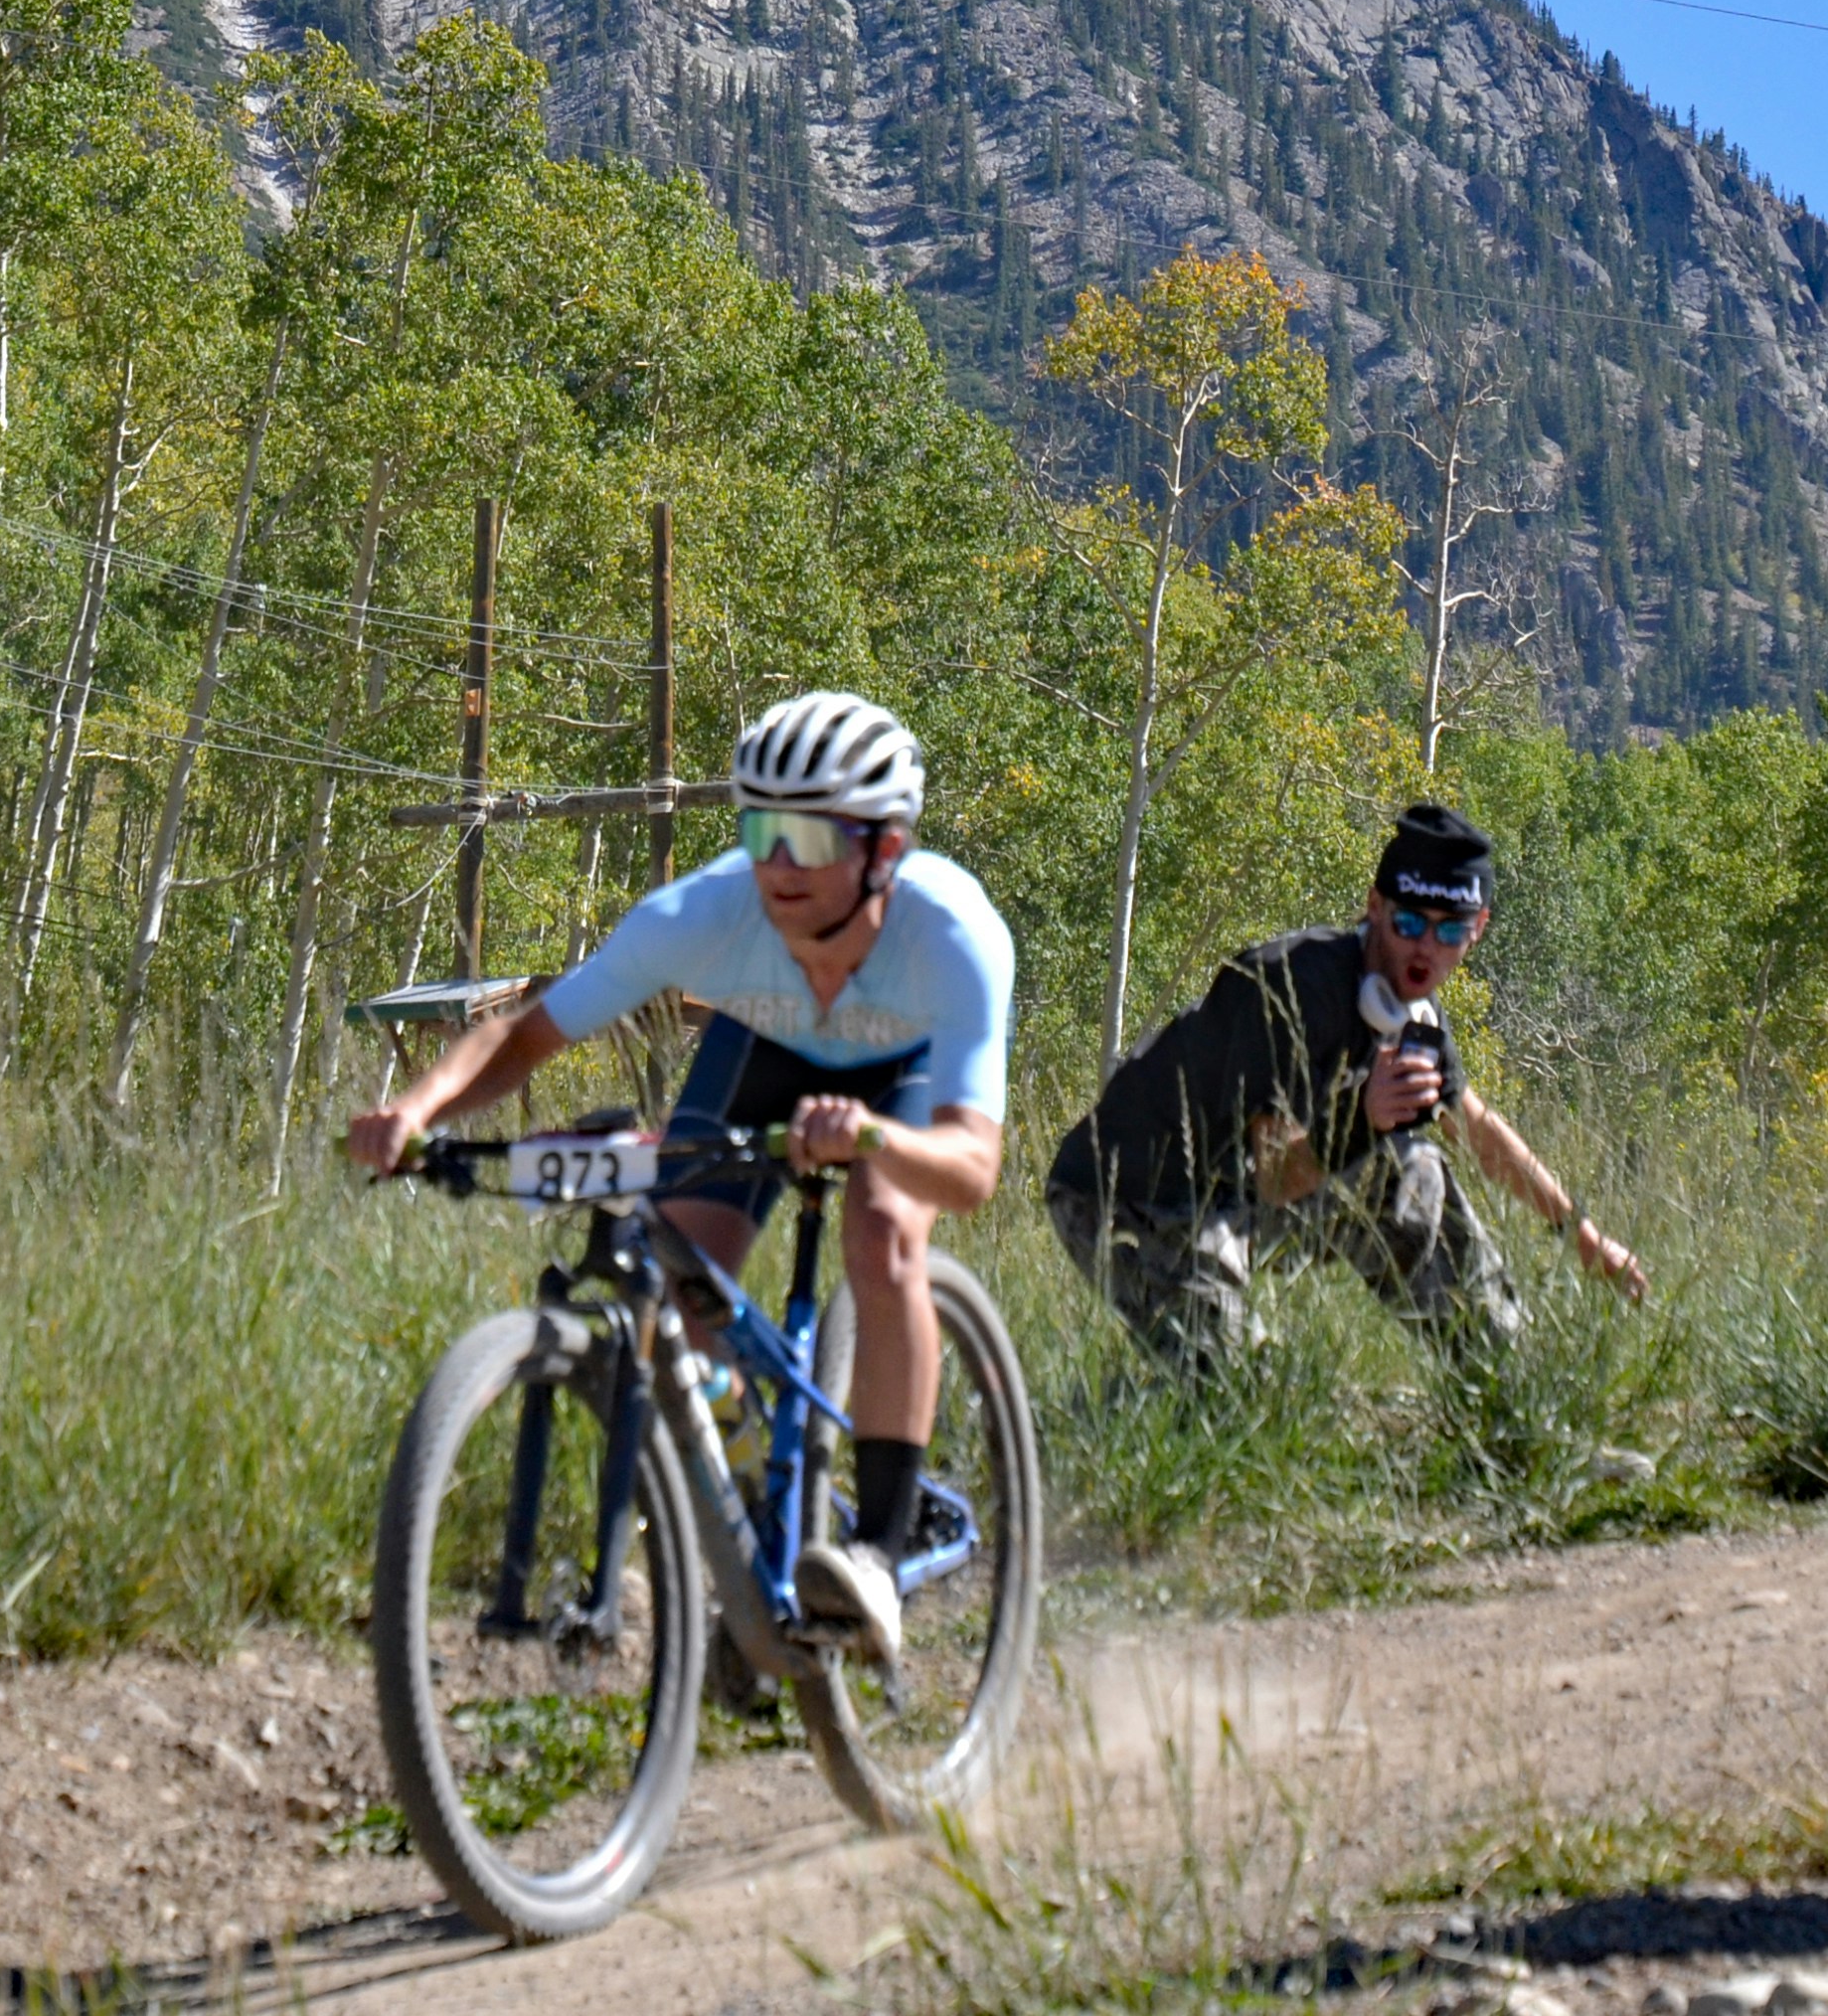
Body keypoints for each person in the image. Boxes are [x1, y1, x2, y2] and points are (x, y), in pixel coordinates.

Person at [348, 693, 1008, 1664]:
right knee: (680, 1276)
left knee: (883, 1231)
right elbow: (525, 1034)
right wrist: (415, 1112)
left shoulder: (953, 936)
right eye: (761, 831)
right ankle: (761, 1543)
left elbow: (971, 1171)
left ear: (885, 850)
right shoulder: (705, 911)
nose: (778, 866)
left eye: (812, 841)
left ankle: (875, 1544)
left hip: (898, 1079)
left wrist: (870, 1137)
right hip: (766, 1051)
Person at [1046, 803, 1643, 1375]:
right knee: (1232, 1401)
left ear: (1478, 929)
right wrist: (1361, 1120)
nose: (1425, 949)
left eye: (1448, 932)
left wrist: (1586, 1240)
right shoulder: (1294, 988)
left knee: (1416, 1168)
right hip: (1132, 1197)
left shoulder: (1412, 1011)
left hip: (1234, 1200)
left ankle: (1507, 1397)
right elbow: (1275, 1176)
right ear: (1375, 907)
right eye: (1409, 923)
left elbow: (1473, 1127)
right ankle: (1063, 1438)